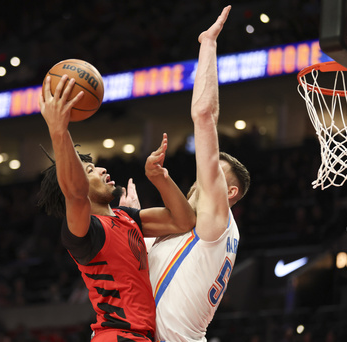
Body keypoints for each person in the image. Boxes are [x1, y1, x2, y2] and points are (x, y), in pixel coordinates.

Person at [38, 73, 196, 341]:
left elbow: (184, 221)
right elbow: (75, 193)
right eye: (89, 170)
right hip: (117, 336)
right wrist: (58, 130)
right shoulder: (84, 231)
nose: (101, 169)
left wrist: (160, 178)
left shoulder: (127, 219)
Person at [147, 6, 251, 342]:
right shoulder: (190, 229)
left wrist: (208, 44)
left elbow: (204, 114)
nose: (203, 177)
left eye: (217, 176)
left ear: (229, 193)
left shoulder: (217, 221)